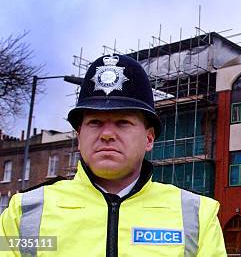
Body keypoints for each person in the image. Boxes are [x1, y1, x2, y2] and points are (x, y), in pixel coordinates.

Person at [0, 54, 227, 256]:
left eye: (123, 122)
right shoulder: (24, 212)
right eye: (95, 122)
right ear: (79, 137)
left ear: (149, 139)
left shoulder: (197, 216)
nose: (107, 134)